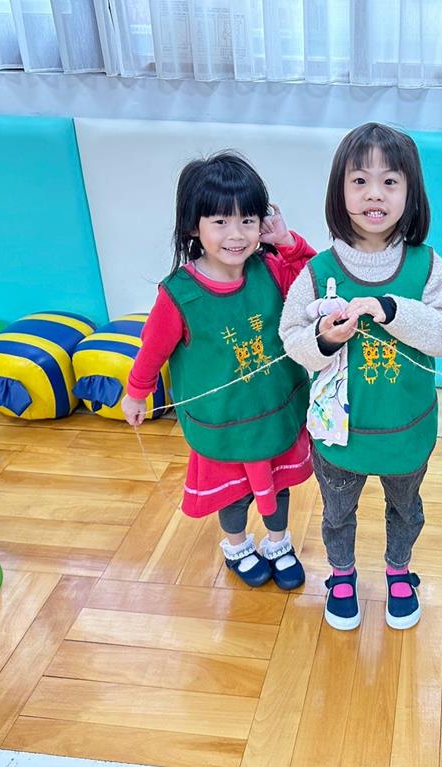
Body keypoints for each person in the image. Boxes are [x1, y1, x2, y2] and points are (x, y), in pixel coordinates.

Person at [280, 123, 442, 630]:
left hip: (407, 430)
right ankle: (341, 575)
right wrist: (323, 339)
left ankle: (399, 571)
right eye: (359, 181)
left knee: (406, 509)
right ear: (339, 191)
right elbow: (291, 339)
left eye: (390, 181)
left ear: (411, 192)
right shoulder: (318, 271)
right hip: (339, 436)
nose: (374, 194)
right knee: (337, 512)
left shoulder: (429, 266)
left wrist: (391, 309)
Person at [122, 152, 316, 590]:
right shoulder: (180, 294)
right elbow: (152, 350)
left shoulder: (271, 268)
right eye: (221, 221)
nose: (237, 234)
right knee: (235, 492)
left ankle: (279, 543)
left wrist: (287, 242)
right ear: (194, 227)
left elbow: (316, 286)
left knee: (278, 484)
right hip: (223, 422)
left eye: (248, 220)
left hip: (273, 411)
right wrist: (136, 393)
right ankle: (237, 545)